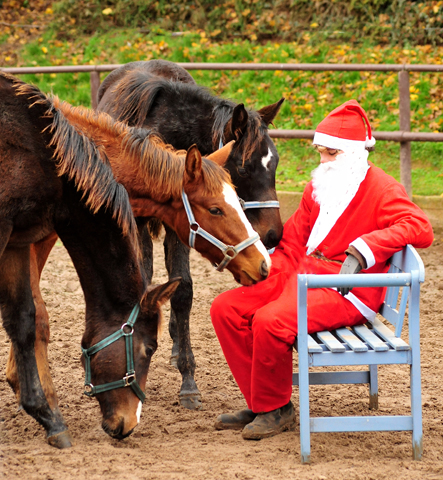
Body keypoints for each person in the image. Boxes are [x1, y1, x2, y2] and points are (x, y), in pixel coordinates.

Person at [210, 99, 434, 441]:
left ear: (355, 153)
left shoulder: (383, 188)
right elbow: (294, 241)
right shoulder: (317, 187)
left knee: (271, 321)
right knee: (226, 309)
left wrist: (364, 248)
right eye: (320, 153)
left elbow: (420, 227)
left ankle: (276, 408)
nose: (323, 162)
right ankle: (261, 402)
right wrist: (268, 264)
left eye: (331, 154)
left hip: (348, 290)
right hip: (302, 275)